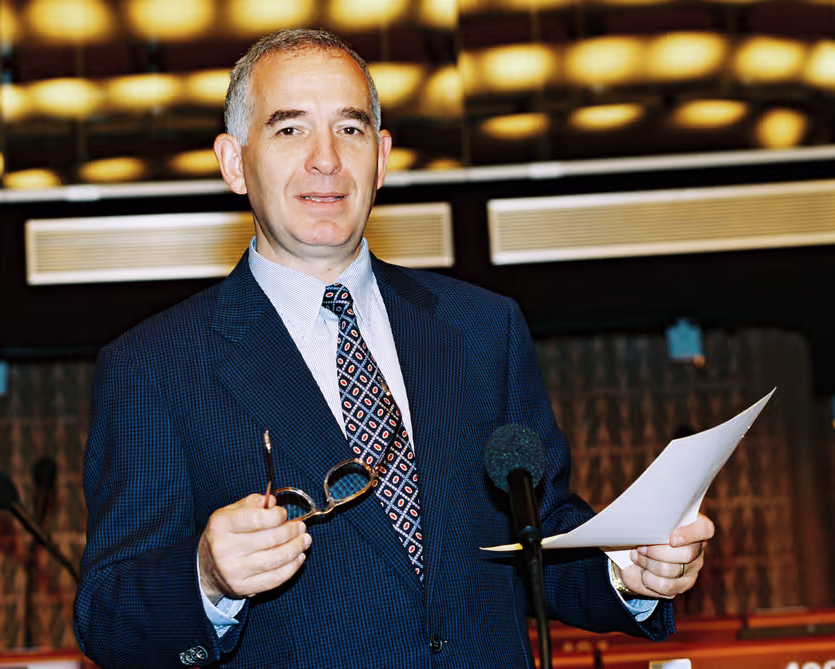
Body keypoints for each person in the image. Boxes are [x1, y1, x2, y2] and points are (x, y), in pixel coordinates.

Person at [74, 28, 714, 669]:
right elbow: (107, 618)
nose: (325, 159)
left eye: (349, 130)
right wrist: (207, 578)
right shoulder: (154, 366)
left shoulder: (482, 329)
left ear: (381, 158)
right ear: (234, 162)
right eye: (289, 129)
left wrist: (628, 570)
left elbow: (535, 543)